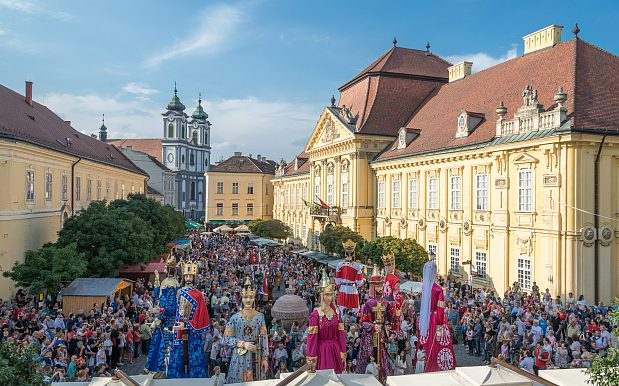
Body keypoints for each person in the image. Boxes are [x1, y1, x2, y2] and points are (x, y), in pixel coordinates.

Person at [168, 260, 211, 378]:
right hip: (179, 327)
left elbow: (201, 314)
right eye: (186, 276)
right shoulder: (179, 291)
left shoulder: (198, 294)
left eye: (190, 276)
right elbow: (176, 310)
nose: (188, 278)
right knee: (179, 352)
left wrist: (188, 325)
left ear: (194, 277)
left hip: (192, 330)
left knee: (193, 353)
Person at [224, 276, 269, 383]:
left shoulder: (260, 316)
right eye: (245, 297)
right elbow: (225, 339)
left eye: (250, 297)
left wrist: (265, 358)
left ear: (254, 298)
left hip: (256, 356)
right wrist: (242, 344)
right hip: (239, 356)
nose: (248, 300)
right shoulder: (234, 318)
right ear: (241, 299)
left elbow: (264, 338)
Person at [418, 259, 456, 372]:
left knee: (425, 340)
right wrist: (440, 326)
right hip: (436, 319)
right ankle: (437, 365)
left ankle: (422, 364)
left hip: (426, 318)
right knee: (437, 344)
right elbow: (440, 309)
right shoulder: (438, 289)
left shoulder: (425, 287)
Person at [356, 265, 393, 380]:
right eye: (377, 285)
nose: (380, 287)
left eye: (381, 284)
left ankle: (382, 378)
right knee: (370, 356)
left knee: (382, 357)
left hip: (381, 334)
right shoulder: (368, 303)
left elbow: (389, 319)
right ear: (373, 286)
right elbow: (363, 322)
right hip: (369, 336)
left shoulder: (386, 302)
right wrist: (373, 326)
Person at [306, 269, 347, 373]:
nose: (329, 297)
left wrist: (343, 351)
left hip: (335, 350)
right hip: (322, 352)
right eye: (327, 295)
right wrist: (312, 359)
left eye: (331, 294)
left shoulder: (337, 313)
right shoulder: (315, 315)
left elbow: (341, 334)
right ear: (322, 295)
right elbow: (312, 339)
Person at [145, 256, 179, 376]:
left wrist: (160, 311)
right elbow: (158, 298)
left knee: (164, 347)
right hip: (163, 318)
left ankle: (163, 370)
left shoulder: (172, 284)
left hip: (168, 321)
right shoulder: (168, 282)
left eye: (166, 268)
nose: (164, 269)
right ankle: (157, 368)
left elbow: (171, 307)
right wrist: (157, 281)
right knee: (158, 344)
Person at [335, 240, 364, 312]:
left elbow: (337, 281)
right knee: (354, 311)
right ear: (354, 253)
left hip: (342, 289)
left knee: (341, 311)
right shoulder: (357, 266)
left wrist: (340, 286)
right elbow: (360, 282)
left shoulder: (339, 265)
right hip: (352, 289)